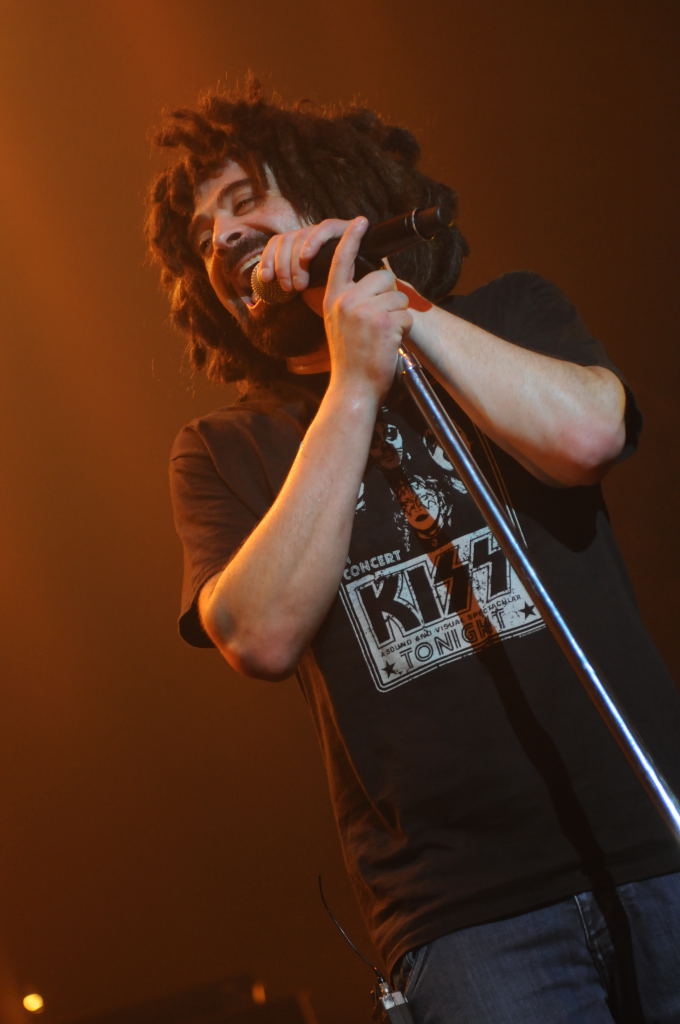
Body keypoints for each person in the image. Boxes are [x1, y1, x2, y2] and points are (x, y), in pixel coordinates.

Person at [146, 81, 680, 1022]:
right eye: (203, 236)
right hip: (463, 918)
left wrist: (381, 300)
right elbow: (258, 635)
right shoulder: (224, 449)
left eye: (246, 202)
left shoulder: (508, 315)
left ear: (330, 193)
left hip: (653, 839)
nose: (223, 237)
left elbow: (589, 436)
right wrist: (352, 382)